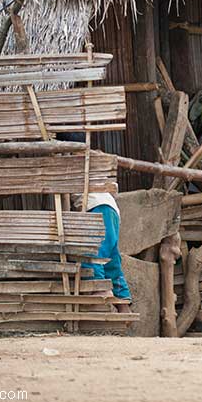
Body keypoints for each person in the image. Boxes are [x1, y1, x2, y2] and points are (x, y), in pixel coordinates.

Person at [57, 133, 131, 313]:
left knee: (95, 252)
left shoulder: (71, 164)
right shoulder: (95, 160)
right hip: (111, 209)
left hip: (97, 208)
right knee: (112, 256)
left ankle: (100, 289)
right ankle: (123, 301)